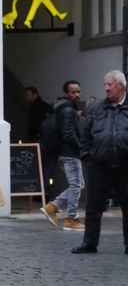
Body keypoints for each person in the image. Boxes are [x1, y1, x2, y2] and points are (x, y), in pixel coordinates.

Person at [72, 70, 128, 254]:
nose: (106, 88)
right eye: (105, 85)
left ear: (121, 86)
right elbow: (85, 133)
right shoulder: (97, 108)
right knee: (93, 206)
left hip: (124, 165)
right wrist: (86, 156)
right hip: (98, 164)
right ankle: (89, 243)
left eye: (110, 85)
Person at [42, 80, 85, 231]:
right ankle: (71, 218)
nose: (77, 95)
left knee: (79, 185)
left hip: (66, 153)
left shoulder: (66, 109)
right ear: (67, 93)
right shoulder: (67, 110)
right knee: (76, 185)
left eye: (78, 91)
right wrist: (81, 149)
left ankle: (52, 207)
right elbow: (68, 133)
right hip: (69, 153)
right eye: (73, 92)